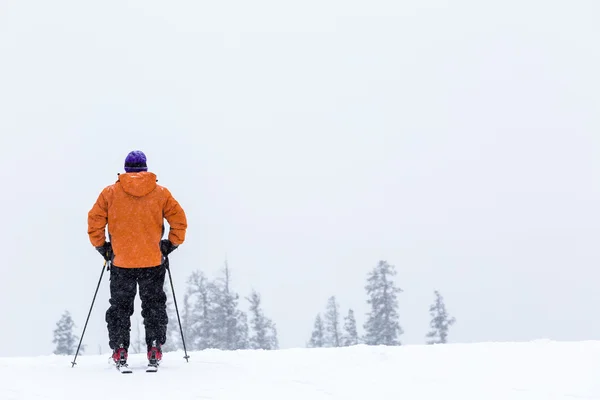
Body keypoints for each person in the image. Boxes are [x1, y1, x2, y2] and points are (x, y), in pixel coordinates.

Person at [87, 150, 187, 367]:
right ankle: (154, 347)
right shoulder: (161, 193)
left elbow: (94, 221)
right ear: (145, 168)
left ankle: (120, 349)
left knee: (120, 307)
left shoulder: (110, 193)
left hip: (122, 262)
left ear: (125, 169)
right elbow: (179, 221)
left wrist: (102, 247)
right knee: (153, 305)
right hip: (152, 261)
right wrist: (169, 245)